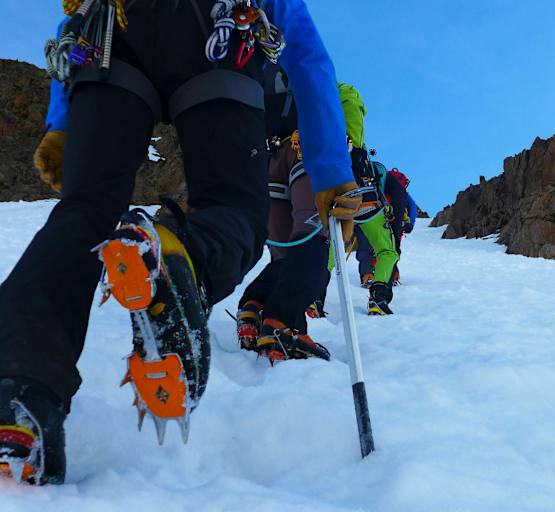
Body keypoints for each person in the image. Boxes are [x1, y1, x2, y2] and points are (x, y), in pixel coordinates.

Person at [0, 0, 359, 485]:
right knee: (232, 207)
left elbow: (74, 20)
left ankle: (18, 395)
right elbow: (307, 55)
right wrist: (330, 169)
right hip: (220, 32)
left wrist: (62, 123)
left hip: (111, 35)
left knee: (83, 212)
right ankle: (176, 255)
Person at [235, 64, 330, 363]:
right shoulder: (326, 85)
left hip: (268, 158)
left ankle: (255, 305)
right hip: (304, 151)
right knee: (313, 238)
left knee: (285, 253)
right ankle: (282, 322)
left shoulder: (264, 71)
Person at [338, 84, 399, 315]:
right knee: (387, 251)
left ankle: (314, 298)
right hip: (366, 197)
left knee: (333, 247)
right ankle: (379, 298)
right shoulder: (349, 100)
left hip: (333, 190)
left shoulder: (321, 117)